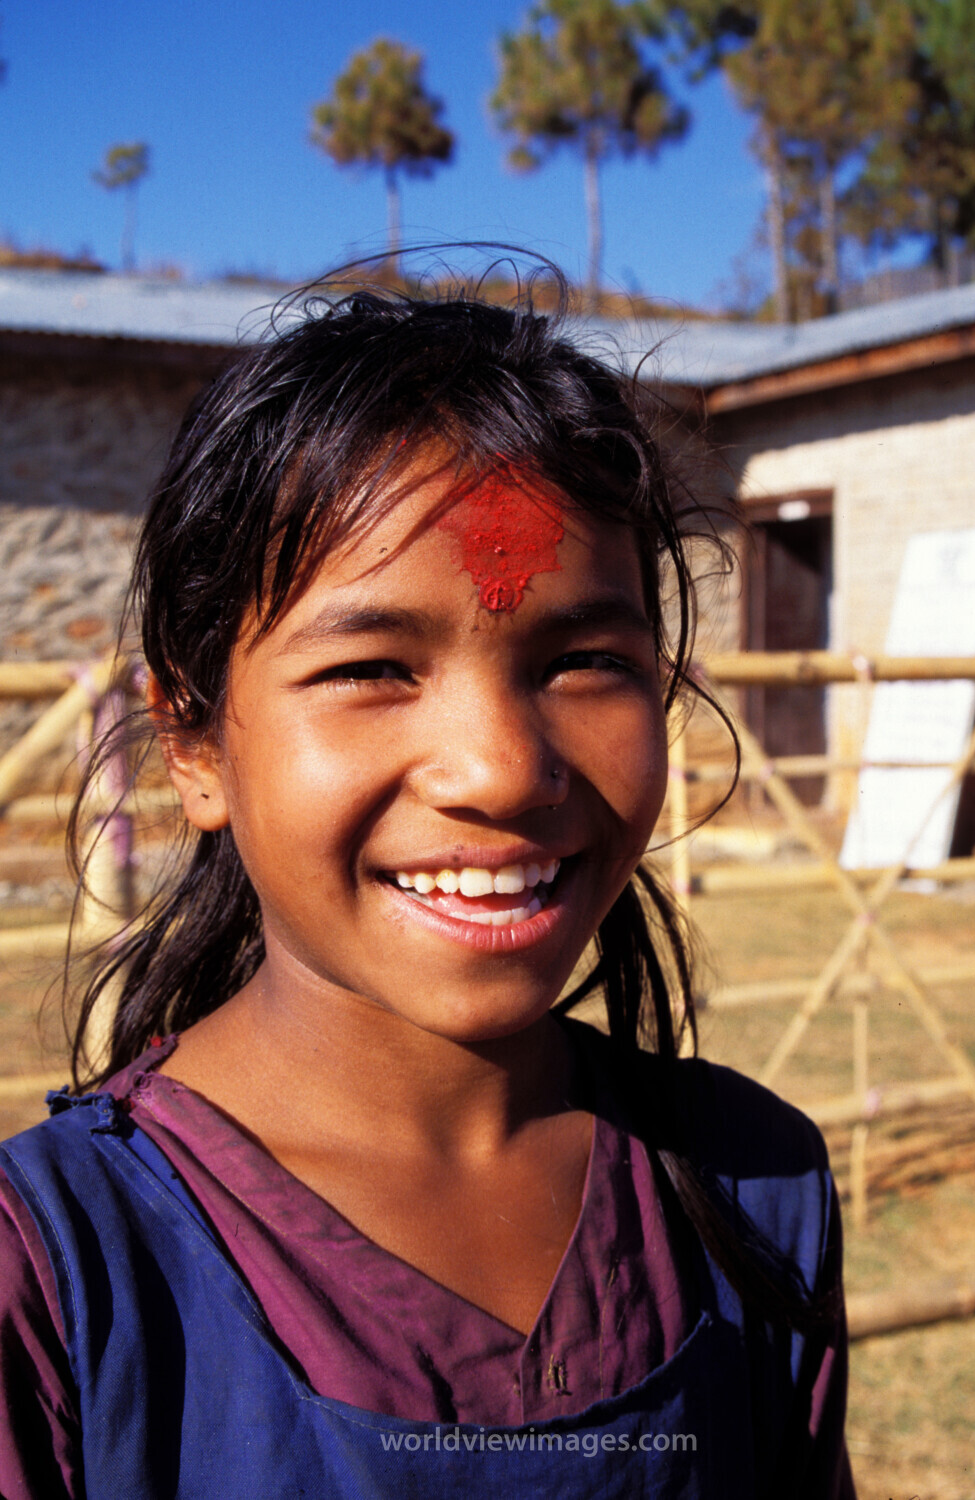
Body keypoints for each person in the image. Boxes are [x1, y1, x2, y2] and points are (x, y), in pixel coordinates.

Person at [0, 274, 854, 1498]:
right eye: (373, 667)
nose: (503, 772)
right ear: (193, 743)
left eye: (583, 661)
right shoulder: (57, 1278)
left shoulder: (755, 1187)